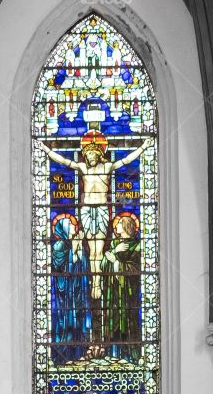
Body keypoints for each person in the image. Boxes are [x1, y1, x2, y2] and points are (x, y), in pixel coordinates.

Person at [39, 131, 151, 281]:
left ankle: (98, 282)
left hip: (102, 210)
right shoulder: (83, 168)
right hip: (86, 211)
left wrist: (143, 147)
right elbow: (63, 161)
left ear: (99, 154)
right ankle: (94, 283)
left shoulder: (107, 167)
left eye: (93, 154)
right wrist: (46, 150)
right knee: (92, 250)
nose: (90, 157)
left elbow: (125, 161)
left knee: (99, 249)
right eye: (88, 154)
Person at [101, 212, 142, 362]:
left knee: (128, 323)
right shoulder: (114, 244)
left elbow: (136, 270)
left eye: (119, 224)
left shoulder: (137, 246)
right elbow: (103, 264)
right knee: (113, 322)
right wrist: (113, 253)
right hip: (113, 293)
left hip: (128, 295)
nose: (116, 226)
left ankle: (130, 356)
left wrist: (116, 262)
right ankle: (113, 354)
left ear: (125, 226)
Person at [50, 213, 90, 365]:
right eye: (72, 225)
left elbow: (81, 265)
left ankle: (77, 354)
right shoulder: (59, 244)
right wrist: (74, 248)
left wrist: (79, 249)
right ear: (64, 228)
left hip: (76, 291)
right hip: (65, 295)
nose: (75, 227)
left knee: (77, 320)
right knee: (66, 323)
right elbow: (59, 266)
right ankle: (63, 355)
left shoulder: (73, 242)